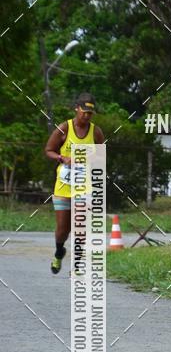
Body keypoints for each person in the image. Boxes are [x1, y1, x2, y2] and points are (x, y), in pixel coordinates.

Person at [44, 92, 105, 275]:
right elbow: (48, 150)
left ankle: (77, 264)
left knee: (80, 227)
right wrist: (62, 157)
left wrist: (92, 156)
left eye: (90, 113)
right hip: (63, 186)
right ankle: (59, 251)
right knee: (63, 229)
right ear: (76, 109)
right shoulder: (64, 128)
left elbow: (102, 155)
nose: (86, 116)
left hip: (83, 186)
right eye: (84, 112)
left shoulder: (96, 131)